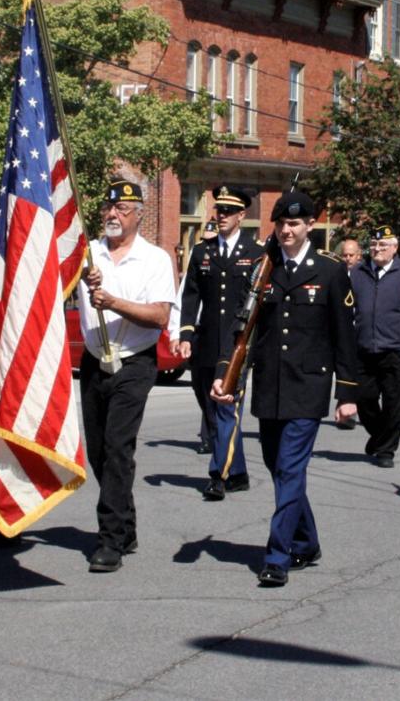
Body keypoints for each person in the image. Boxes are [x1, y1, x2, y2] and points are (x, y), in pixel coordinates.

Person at [212, 190, 359, 587]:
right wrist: (225, 372)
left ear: (310, 225)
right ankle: (307, 541)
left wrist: (346, 396)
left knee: (291, 468)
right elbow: (242, 326)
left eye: (294, 223)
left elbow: (345, 337)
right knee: (281, 470)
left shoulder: (329, 271)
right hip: (269, 387)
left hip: (308, 387)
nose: (287, 230)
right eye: (281, 224)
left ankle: (277, 555)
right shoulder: (264, 267)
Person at [76, 180, 176, 573]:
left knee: (119, 447)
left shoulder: (153, 259)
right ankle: (126, 524)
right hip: (94, 359)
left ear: (138, 214)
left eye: (122, 209)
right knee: (98, 451)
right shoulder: (89, 253)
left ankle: (110, 540)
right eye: (108, 208)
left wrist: (112, 300)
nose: (112, 215)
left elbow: (160, 316)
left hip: (135, 361)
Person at [178, 186, 261, 502]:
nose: (222, 215)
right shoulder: (202, 251)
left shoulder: (256, 254)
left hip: (237, 343)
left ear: (242, 215)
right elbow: (191, 296)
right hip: (205, 341)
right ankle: (237, 472)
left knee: (225, 406)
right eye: (219, 210)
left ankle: (219, 475)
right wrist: (185, 335)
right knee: (209, 407)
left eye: (229, 211)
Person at [348, 226, 400, 468]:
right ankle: (379, 435)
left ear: (395, 247)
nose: (377, 249)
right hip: (363, 348)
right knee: (364, 398)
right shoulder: (357, 272)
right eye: (373, 244)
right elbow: (348, 308)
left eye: (383, 245)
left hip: (396, 348)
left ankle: (386, 450)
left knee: (393, 401)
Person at [333, 237, 365, 430]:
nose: (347, 258)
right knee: (343, 368)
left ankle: (350, 408)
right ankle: (344, 410)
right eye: (344, 255)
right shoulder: (336, 272)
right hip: (342, 330)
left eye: (351, 255)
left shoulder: (363, 274)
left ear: (359, 256)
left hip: (359, 330)